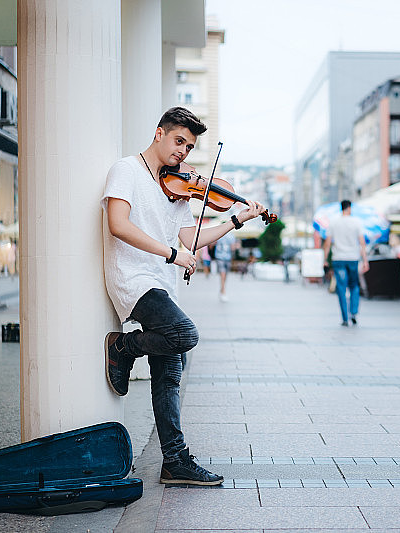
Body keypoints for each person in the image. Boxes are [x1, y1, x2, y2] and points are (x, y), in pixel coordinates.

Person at [101, 107, 265, 486]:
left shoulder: (177, 190)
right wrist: (171, 254)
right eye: (179, 142)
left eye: (189, 147)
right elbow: (117, 224)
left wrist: (236, 220)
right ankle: (124, 348)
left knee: (170, 374)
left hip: (161, 282)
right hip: (134, 277)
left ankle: (174, 461)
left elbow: (192, 240)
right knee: (185, 335)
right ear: (159, 133)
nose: (183, 153)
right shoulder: (126, 170)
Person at [322, 200, 369, 326]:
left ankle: (344, 318)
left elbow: (327, 243)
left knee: (341, 288)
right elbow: (362, 242)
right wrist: (365, 260)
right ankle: (353, 312)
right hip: (353, 258)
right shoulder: (357, 222)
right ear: (350, 208)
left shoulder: (334, 222)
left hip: (338, 259)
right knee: (354, 286)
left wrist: (325, 259)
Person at [214, 230, 236, 301]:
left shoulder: (218, 234)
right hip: (227, 257)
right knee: (224, 274)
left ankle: (222, 289)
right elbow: (233, 248)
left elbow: (212, 244)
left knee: (223, 275)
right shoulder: (231, 236)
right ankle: (223, 291)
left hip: (219, 256)